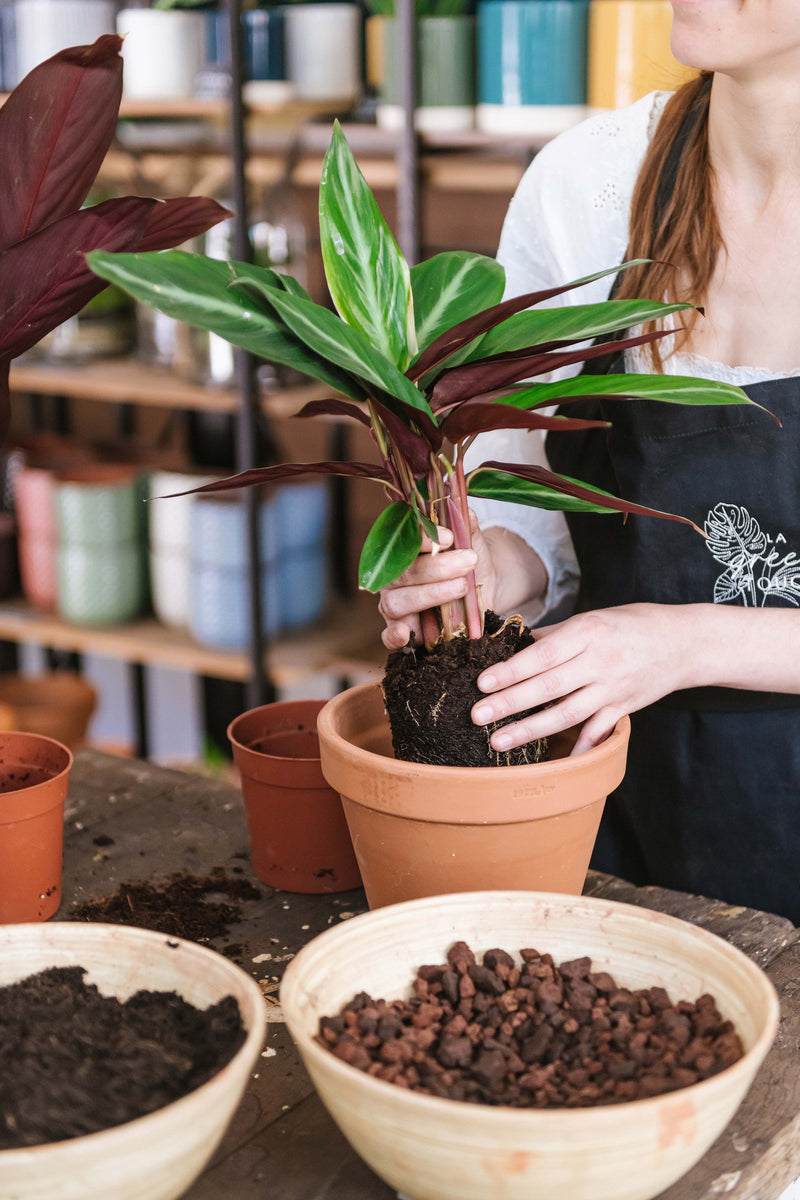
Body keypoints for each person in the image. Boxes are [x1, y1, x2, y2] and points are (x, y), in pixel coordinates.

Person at [378, 0, 800, 922]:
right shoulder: (593, 184)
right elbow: (525, 477)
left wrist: (682, 640)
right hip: (612, 804)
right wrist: (498, 571)